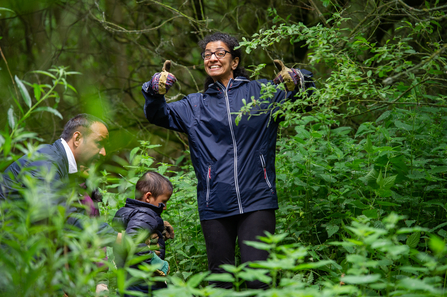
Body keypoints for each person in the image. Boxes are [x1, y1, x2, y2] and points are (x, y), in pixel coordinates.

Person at [141, 32, 314, 289]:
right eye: (207, 54)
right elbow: (157, 113)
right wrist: (153, 90)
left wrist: (300, 79)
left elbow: (305, 100)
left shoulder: (262, 94)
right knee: (220, 283)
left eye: (220, 53)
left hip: (258, 199)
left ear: (234, 61)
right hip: (215, 203)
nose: (212, 58)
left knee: (258, 279)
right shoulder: (194, 106)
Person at [0, 113, 118, 237]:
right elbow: (62, 216)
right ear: (77, 139)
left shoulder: (64, 166)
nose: (103, 152)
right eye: (99, 143)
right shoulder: (46, 162)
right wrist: (114, 237)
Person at [112, 171, 174, 296]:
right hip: (143, 280)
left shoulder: (128, 211)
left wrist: (160, 230)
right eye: (163, 202)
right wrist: (155, 263)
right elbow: (132, 240)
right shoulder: (146, 214)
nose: (165, 207)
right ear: (148, 197)